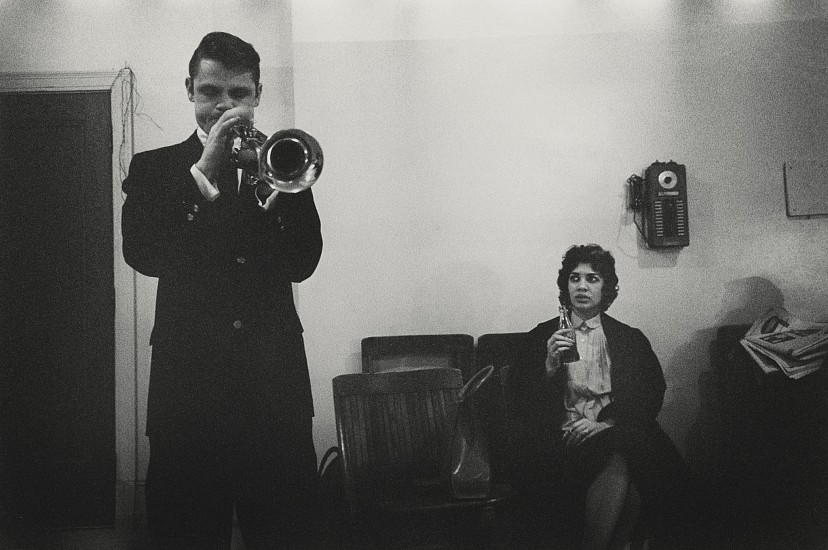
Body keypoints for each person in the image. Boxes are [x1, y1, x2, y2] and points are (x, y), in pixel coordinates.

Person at [121, 32, 323, 549]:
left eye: (239, 92)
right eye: (212, 91)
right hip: (188, 399)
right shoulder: (154, 168)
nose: (225, 106)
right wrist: (203, 173)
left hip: (274, 395)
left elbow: (303, 263)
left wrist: (274, 191)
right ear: (190, 90)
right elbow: (144, 253)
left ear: (258, 95)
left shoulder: (285, 163)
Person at [506, 244, 713, 550]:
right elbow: (519, 401)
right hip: (564, 436)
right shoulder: (542, 337)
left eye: (592, 279)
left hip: (617, 429)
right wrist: (549, 366)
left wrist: (608, 425)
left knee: (623, 452)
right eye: (575, 278)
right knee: (623, 474)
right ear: (565, 285)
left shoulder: (629, 338)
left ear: (607, 287)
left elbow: (651, 393)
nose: (582, 286)